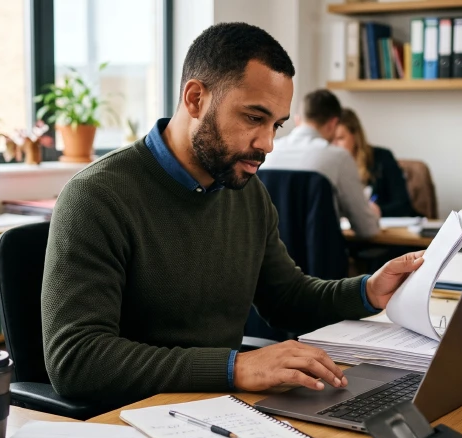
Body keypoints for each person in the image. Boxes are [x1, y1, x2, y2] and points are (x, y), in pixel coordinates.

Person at [41, 22, 424, 408]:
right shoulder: (96, 197)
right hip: (134, 417)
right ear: (195, 99)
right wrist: (235, 368)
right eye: (254, 118)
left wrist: (367, 291)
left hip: (222, 408)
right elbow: (77, 361)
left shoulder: (246, 191)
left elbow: (286, 297)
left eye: (276, 125)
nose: (268, 144)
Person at [259, 90, 380, 239]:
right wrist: (374, 214)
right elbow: (367, 230)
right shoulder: (339, 157)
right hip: (318, 258)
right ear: (333, 123)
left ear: (298, 120)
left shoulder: (267, 153)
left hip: (267, 258)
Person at [332, 108, 419, 218]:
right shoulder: (329, 165)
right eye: (330, 140)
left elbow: (403, 205)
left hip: (385, 230)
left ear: (355, 136)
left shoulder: (382, 158)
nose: (334, 145)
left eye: (340, 138)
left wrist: (379, 211)